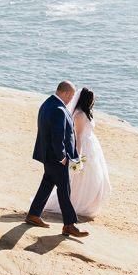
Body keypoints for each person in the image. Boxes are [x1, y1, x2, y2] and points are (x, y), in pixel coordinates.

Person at [25, 80, 89, 237]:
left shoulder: (48, 103)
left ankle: (33, 215)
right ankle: (69, 225)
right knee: (64, 190)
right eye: (71, 95)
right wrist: (62, 157)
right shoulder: (59, 109)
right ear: (66, 93)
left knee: (47, 184)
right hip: (56, 158)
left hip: (48, 155)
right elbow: (58, 136)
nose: (71, 99)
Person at [43, 87, 111, 220]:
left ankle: (86, 202)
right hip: (84, 147)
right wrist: (77, 157)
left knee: (93, 177)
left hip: (92, 148)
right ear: (87, 100)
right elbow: (78, 137)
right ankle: (75, 204)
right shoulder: (79, 115)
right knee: (82, 178)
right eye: (92, 99)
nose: (94, 101)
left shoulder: (86, 112)